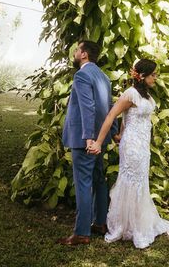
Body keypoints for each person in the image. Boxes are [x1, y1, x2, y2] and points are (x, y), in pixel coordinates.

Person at [89, 59, 169, 249]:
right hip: (132, 146)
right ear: (142, 76)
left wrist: (120, 133)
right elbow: (111, 116)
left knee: (140, 181)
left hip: (142, 146)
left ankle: (136, 223)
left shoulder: (146, 95)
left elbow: (129, 118)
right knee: (131, 181)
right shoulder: (130, 94)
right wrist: (100, 141)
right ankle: (126, 226)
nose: (156, 78)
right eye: (153, 75)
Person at [57, 40, 118, 246]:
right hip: (99, 138)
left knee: (83, 183)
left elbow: (87, 107)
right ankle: (100, 223)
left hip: (85, 139)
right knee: (98, 178)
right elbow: (110, 108)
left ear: (84, 54)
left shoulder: (82, 75)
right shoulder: (103, 77)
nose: (74, 53)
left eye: (77, 50)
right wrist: (113, 132)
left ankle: (82, 233)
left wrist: (89, 138)